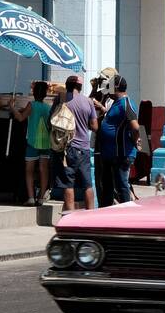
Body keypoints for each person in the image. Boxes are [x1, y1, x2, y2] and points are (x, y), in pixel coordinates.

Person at [94, 75, 141, 207]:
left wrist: (136, 139)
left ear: (116, 88)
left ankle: (126, 214)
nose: (107, 90)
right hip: (110, 154)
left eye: (109, 87)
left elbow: (135, 127)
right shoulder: (116, 103)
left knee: (121, 186)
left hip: (121, 154)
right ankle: (106, 213)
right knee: (107, 186)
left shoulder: (126, 104)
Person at [56, 74, 97, 211]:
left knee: (68, 184)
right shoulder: (88, 102)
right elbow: (95, 127)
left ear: (67, 86)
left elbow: (52, 119)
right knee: (87, 184)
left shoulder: (61, 99)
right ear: (80, 87)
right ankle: (90, 214)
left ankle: (70, 215)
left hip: (67, 147)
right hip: (84, 148)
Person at [12, 81, 53, 206]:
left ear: (34, 93)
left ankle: (30, 197)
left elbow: (20, 118)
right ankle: (41, 198)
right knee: (43, 170)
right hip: (46, 143)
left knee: (29, 170)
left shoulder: (31, 105)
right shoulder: (48, 107)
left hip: (32, 142)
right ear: (45, 94)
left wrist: (12, 107)